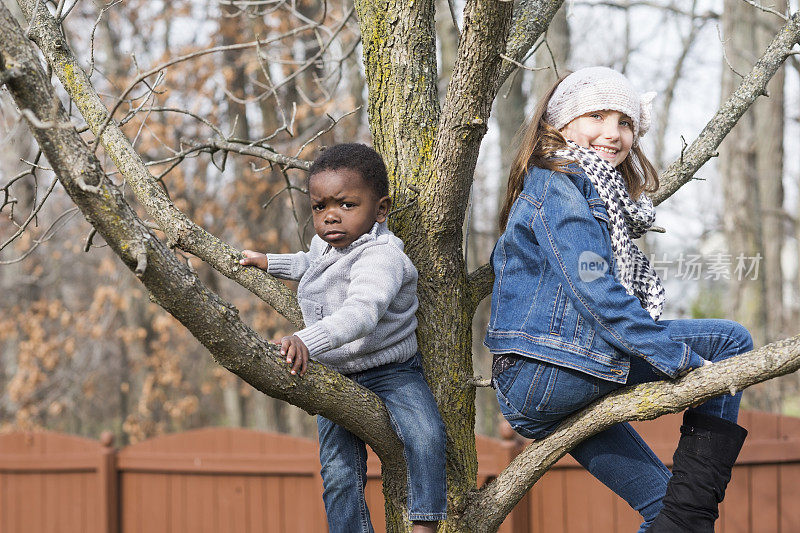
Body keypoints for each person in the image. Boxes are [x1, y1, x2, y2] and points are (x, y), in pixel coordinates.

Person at [484, 67, 751, 533]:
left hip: (538, 385)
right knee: (727, 342)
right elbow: (597, 290)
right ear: (560, 124)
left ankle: (686, 518)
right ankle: (692, 513)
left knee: (665, 509)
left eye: (625, 122)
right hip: (550, 370)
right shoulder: (557, 184)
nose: (613, 133)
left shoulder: (595, 192)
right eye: (597, 116)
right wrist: (678, 359)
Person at [240, 143, 446, 533]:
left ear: (380, 210)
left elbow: (361, 315)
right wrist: (270, 262)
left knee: (426, 434)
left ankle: (426, 520)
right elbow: (309, 261)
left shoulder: (382, 256)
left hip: (390, 368)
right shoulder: (327, 243)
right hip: (337, 373)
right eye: (319, 207)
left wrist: (306, 340)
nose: (331, 217)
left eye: (347, 205)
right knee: (337, 470)